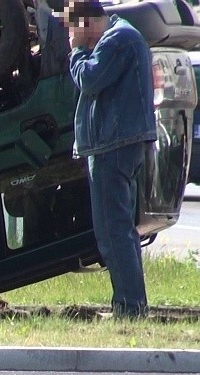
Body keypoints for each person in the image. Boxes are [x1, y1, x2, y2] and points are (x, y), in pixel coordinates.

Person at [55, 1, 156, 318]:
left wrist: (76, 52)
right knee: (118, 229)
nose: (73, 36)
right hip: (113, 145)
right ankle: (130, 303)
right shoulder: (120, 38)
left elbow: (89, 80)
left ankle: (130, 307)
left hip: (113, 147)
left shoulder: (116, 39)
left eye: (73, 29)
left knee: (114, 232)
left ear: (84, 23)